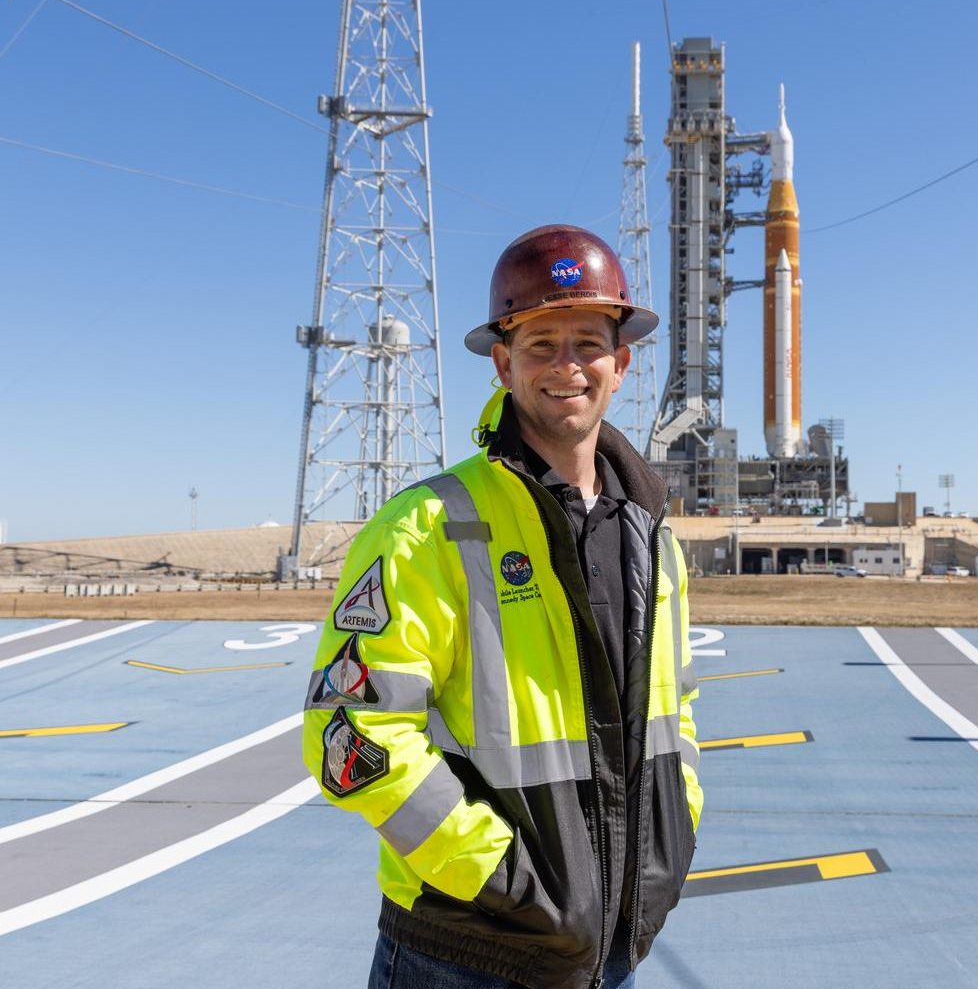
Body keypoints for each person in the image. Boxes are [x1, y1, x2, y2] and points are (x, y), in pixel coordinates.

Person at [301, 224, 702, 989]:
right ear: (502, 363)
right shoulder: (429, 529)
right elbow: (349, 734)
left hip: (609, 948)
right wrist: (506, 880)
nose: (567, 367)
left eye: (588, 342)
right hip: (465, 954)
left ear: (621, 363)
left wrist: (669, 839)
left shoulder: (653, 539)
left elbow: (675, 711)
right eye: (540, 344)